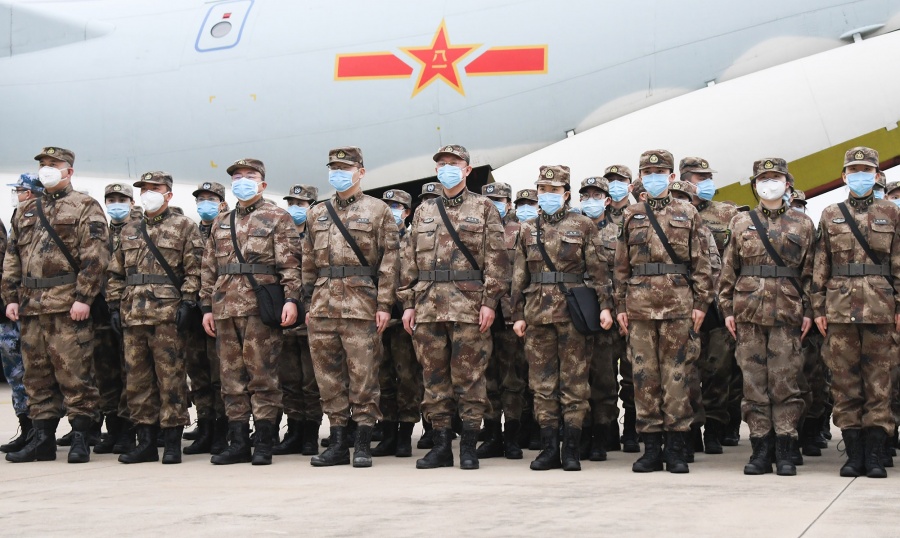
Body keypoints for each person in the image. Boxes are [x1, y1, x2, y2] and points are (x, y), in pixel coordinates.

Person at [399, 144, 509, 470]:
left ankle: (470, 447)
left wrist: (490, 301)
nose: (447, 167)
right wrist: (407, 303)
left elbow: (497, 259)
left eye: (454, 163)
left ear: (467, 170)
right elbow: (409, 261)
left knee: (470, 377)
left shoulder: (485, 207)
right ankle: (442, 446)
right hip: (428, 305)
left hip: (470, 306)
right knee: (434, 379)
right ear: (436, 170)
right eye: (442, 163)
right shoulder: (423, 211)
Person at [3, 146, 109, 464]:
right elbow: (12, 258)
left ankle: (80, 437)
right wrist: (9, 296)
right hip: (31, 306)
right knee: (35, 376)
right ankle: (42, 439)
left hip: (67, 306)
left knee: (75, 374)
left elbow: (96, 256)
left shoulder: (85, 206)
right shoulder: (25, 211)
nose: (47, 169)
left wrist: (84, 297)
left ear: (69, 171)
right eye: (44, 164)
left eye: (54, 164)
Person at [614, 149, 713, 474]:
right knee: (644, 378)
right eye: (648, 171)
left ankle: (677, 447)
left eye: (660, 171)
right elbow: (621, 267)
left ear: (672, 177)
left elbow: (701, 263)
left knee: (677, 376)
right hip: (640, 308)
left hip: (678, 307)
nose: (654, 176)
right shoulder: (632, 215)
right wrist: (620, 307)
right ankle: (651, 448)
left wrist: (701, 305)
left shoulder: (688, 213)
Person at [511, 166, 614, 471]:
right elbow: (519, 275)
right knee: (542, 384)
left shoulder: (583, 226)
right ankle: (547, 448)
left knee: (574, 383)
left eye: (554, 190)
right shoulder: (528, 229)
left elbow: (598, 271)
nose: (547, 195)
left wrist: (605, 306)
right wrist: (516, 313)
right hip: (537, 315)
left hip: (573, 314)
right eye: (543, 189)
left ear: (566, 194)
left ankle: (570, 448)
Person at [302, 147, 400, 468]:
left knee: (364, 376)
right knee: (328, 378)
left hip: (362, 305)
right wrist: (307, 302)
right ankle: (337, 444)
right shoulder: (317, 213)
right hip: (322, 307)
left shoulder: (379, 210)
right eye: (334, 167)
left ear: (361, 171)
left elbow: (389, 262)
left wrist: (385, 304)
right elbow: (307, 263)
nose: (338, 172)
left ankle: (362, 444)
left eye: (345, 167)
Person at [200, 158, 301, 466]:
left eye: (250, 176)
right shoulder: (221, 221)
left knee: (263, 376)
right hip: (225, 307)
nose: (243, 180)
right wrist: (206, 306)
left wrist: (292, 299)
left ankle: (264, 442)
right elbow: (209, 266)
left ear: (262, 184)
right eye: (238, 176)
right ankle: (238, 441)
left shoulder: (277, 217)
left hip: (260, 308)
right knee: (230, 378)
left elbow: (290, 263)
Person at [718, 158, 815, 476]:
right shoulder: (740, 223)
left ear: (787, 183)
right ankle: (761, 449)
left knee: (785, 383)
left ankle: (786, 449)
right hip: (748, 314)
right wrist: (727, 309)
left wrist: (811, 311)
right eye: (763, 178)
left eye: (776, 178)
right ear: (755, 184)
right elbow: (728, 269)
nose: (769, 183)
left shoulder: (803, 224)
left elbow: (812, 273)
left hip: (787, 314)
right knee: (753, 384)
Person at [811, 147, 900, 479]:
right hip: (839, 309)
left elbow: (898, 262)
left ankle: (876, 455)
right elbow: (821, 265)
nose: (860, 175)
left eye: (867, 170)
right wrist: (818, 307)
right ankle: (854, 454)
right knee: (845, 384)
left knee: (879, 383)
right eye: (853, 170)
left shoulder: (891, 213)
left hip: (880, 309)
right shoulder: (830, 214)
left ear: (877, 176)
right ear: (844, 176)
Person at [107, 172, 203, 464]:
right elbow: (115, 272)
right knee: (137, 381)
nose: (149, 193)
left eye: (155, 188)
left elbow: (194, 269)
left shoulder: (185, 227)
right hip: (133, 314)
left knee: (171, 378)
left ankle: (172, 441)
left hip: (167, 316)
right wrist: (114, 305)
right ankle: (145, 442)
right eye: (145, 189)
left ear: (169, 194)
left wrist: (188, 302)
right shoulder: (130, 231)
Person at [678, 157, 739, 454]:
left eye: (707, 177)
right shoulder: (675, 212)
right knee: (687, 370)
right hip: (684, 303)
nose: (705, 183)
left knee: (718, 369)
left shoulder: (728, 213)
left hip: (717, 303)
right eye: (699, 178)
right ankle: (691, 429)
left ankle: (715, 427)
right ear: (684, 179)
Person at [90, 182, 142, 456]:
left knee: (130, 373)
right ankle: (112, 429)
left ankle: (128, 431)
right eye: (111, 199)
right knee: (104, 373)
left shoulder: (140, 230)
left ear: (132, 202)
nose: (116, 203)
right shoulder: (99, 232)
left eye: (122, 198)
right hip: (102, 310)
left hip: (132, 310)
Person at [477, 182, 527, 460]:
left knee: (513, 379)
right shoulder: (475, 228)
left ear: (509, 203)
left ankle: (512, 436)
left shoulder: (520, 231)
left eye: (499, 199)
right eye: (489, 198)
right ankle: (492, 432)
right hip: (482, 312)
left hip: (509, 314)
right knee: (487, 378)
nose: (494, 203)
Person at [371, 188, 423, 458]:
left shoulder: (414, 239)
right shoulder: (375, 239)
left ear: (407, 212)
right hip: (377, 315)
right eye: (387, 205)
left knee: (407, 377)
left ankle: (405, 432)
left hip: (403, 316)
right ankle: (388, 430)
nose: (392, 210)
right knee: (382, 376)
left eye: (397, 206)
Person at [273, 184, 323, 457]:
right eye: (291, 202)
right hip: (282, 314)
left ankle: (310, 433)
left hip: (312, 313)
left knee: (311, 380)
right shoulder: (281, 233)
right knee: (288, 378)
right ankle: (293, 430)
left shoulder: (318, 233)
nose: (295, 208)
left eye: (301, 204)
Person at [576, 176, 622, 461]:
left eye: (596, 195)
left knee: (604, 378)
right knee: (577, 377)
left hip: (607, 312)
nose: (590, 200)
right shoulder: (574, 230)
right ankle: (583, 432)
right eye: (586, 196)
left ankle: (603, 436)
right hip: (576, 312)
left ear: (607, 200)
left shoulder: (620, 233)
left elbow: (623, 275)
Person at [182, 181, 229, 455]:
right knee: (197, 372)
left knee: (221, 374)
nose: (205, 203)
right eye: (201, 199)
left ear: (222, 201)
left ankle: (224, 429)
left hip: (219, 309)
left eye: (211, 198)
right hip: (194, 309)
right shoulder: (190, 231)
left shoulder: (229, 228)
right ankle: (206, 427)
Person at [0, 174, 41, 455]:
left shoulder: (41, 222)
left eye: (22, 190)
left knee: (40, 374)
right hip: (12, 308)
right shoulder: (16, 221)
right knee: (15, 374)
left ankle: (45, 432)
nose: (18, 195)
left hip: (33, 308)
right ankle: (27, 428)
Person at [602, 164, 639, 453]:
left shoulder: (639, 216)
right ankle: (608, 430)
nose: (615, 185)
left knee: (633, 374)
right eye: (610, 180)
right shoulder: (593, 219)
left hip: (633, 307)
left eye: (620, 180)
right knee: (602, 376)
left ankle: (632, 430)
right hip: (603, 310)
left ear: (630, 184)